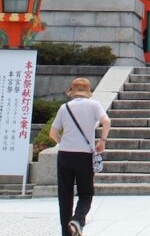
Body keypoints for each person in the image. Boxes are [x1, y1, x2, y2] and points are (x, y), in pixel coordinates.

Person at [49, 76, 110, 236]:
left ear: (72, 91)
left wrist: (62, 142)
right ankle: (78, 219)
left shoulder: (64, 107)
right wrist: (102, 141)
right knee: (86, 193)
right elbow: (107, 121)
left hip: (65, 155)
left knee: (65, 195)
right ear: (87, 91)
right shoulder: (94, 105)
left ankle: (66, 233)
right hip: (84, 155)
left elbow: (53, 133)